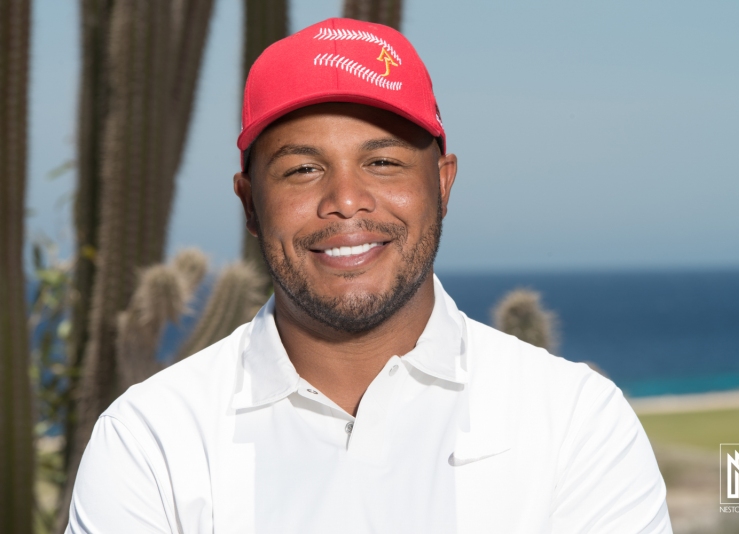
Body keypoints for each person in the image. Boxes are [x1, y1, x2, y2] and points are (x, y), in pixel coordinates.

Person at [67, 18, 672, 533]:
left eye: (382, 162)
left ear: (441, 185)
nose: (346, 201)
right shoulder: (151, 441)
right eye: (303, 169)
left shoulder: (573, 422)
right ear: (250, 204)